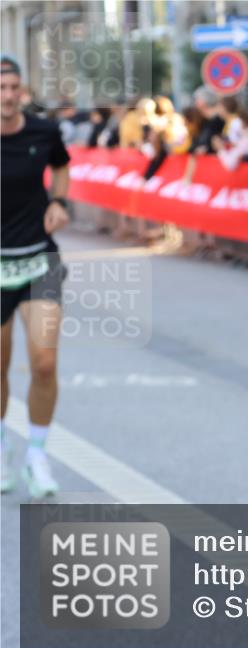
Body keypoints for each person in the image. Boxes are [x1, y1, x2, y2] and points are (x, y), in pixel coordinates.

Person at [1, 55, 71, 498]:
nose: (7, 97)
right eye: (0, 89)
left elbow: (61, 166)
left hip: (39, 259)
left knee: (44, 362)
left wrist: (59, 203)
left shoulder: (44, 132)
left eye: (13, 88)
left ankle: (37, 456)